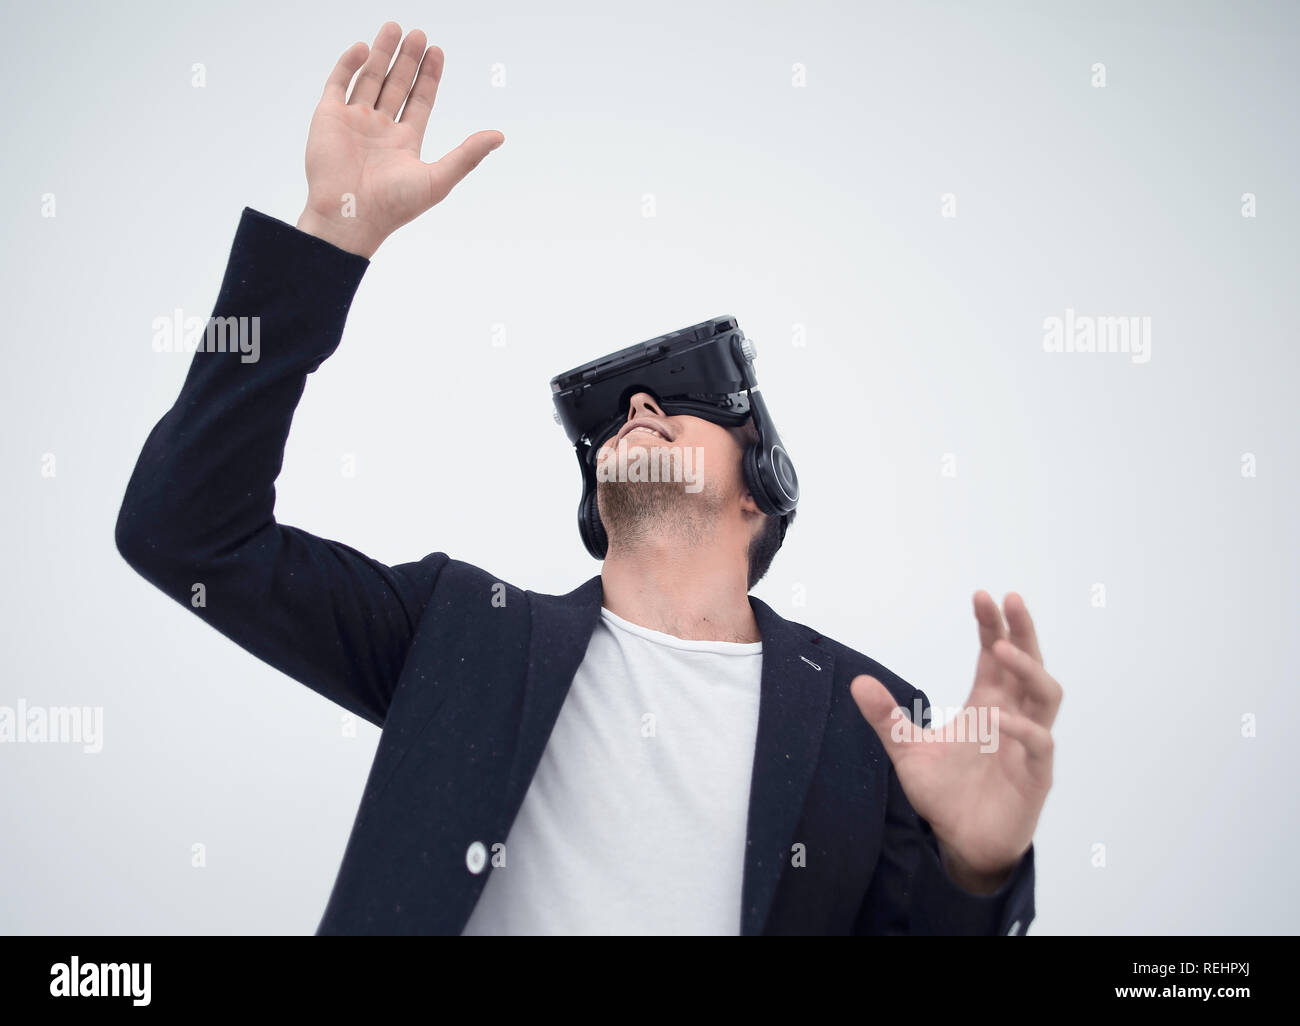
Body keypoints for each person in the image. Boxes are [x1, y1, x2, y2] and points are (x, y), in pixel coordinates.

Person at [115, 21, 1061, 935]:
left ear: (758, 486)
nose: (637, 411)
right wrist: (329, 236)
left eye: (677, 402)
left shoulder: (872, 718)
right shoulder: (461, 635)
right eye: (614, 415)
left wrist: (975, 877)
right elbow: (185, 533)